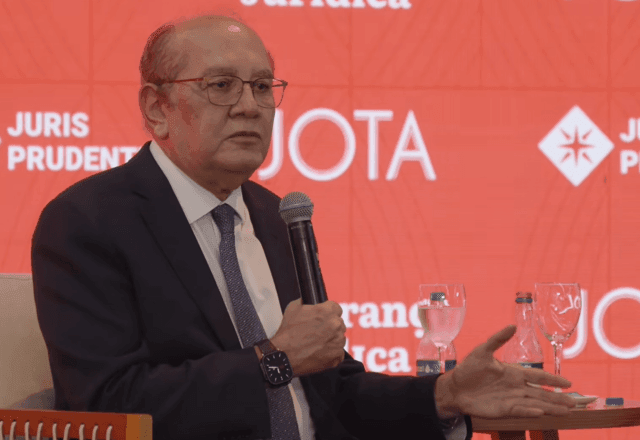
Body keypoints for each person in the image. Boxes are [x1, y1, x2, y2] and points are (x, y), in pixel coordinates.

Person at [31, 13, 576, 440]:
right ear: (157, 108)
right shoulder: (89, 221)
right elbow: (107, 406)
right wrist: (276, 359)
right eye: (221, 85)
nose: (250, 106)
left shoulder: (276, 215)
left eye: (262, 87)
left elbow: (329, 391)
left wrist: (444, 393)